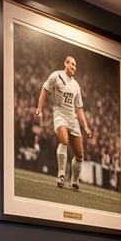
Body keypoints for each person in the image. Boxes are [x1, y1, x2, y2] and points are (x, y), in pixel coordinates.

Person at [35, 55, 93, 192]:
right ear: (65, 64)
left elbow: (79, 109)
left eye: (75, 65)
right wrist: (39, 108)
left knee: (80, 154)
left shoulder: (76, 86)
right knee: (64, 141)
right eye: (72, 64)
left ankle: (74, 182)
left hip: (73, 119)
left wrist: (85, 126)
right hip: (60, 115)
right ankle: (61, 176)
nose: (74, 67)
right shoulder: (56, 76)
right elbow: (44, 90)